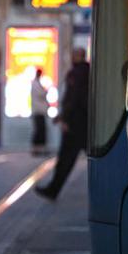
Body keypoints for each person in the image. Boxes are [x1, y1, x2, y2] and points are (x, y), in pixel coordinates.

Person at [36, 49, 89, 201]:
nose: (71, 57)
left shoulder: (75, 74)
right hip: (85, 121)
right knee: (75, 157)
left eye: (73, 55)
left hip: (75, 123)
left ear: (77, 56)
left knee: (65, 158)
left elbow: (72, 98)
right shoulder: (88, 71)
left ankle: (53, 189)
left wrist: (65, 118)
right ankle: (53, 189)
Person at [29, 68, 49, 156]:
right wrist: (45, 91)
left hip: (40, 111)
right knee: (39, 130)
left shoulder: (37, 83)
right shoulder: (35, 84)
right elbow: (41, 94)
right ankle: (37, 149)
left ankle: (40, 148)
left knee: (42, 130)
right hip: (38, 111)